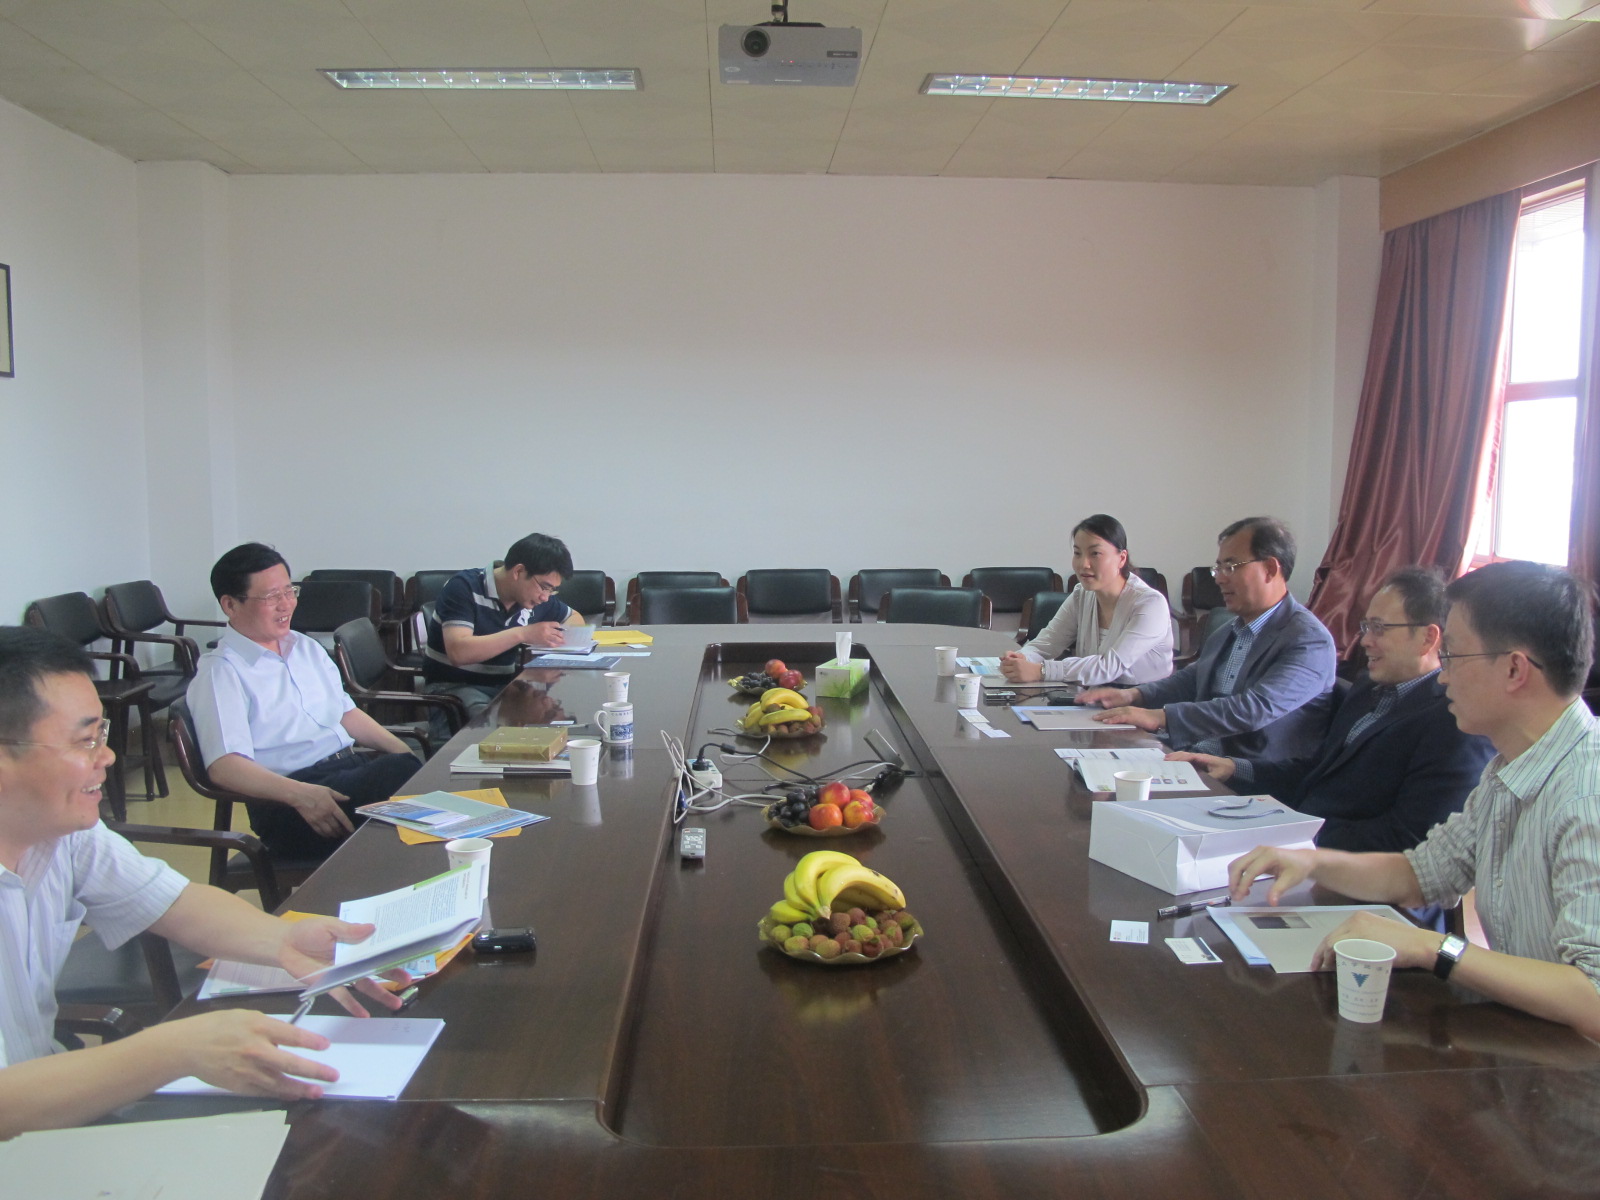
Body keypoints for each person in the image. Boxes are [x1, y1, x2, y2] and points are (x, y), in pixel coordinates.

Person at [0, 627, 404, 1138]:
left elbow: (173, 901)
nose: (108, 757)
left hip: (47, 1112)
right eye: (85, 741)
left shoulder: (63, 835)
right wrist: (175, 1050)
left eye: (102, 734)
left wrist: (283, 940)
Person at [1227, 560, 1600, 1042]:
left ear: (1514, 669)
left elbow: (1593, 995)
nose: (1441, 677)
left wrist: (1432, 948)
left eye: (1454, 656)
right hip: (1524, 1045)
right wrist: (1310, 862)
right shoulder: (1508, 769)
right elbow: (1421, 873)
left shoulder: (1587, 795)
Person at [1170, 567, 1494, 852]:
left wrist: (1299, 838)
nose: (1364, 641)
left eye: (1379, 628)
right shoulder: (1367, 688)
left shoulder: (1453, 722)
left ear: (1427, 638)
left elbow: (1411, 839)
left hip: (1349, 875)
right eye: (1366, 627)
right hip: (1298, 839)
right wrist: (1234, 768)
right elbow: (1318, 770)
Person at [186, 543, 420, 860]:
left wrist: (407, 754)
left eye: (290, 591)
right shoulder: (222, 672)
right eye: (271, 597)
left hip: (346, 772)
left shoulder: (305, 647)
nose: (286, 604)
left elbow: (346, 713)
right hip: (290, 801)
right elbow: (225, 767)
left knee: (415, 768)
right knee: (399, 776)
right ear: (230, 604)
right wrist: (300, 795)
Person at [1078, 516, 1336, 760]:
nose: (1220, 579)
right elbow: (1192, 679)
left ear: (1270, 568)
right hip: (1195, 751)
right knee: (1088, 758)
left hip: (1248, 770)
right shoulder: (1229, 629)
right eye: (1218, 568)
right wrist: (1133, 696)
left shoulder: (1308, 641)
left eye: (1231, 567)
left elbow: (1254, 709)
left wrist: (1160, 717)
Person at [422, 533, 587, 725]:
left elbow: (575, 618)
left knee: (563, 717)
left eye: (552, 590)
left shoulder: (533, 597)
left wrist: (556, 641)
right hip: (454, 687)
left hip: (506, 686)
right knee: (486, 730)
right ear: (518, 571)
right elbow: (459, 652)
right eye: (545, 587)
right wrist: (523, 634)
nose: (545, 597)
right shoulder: (463, 587)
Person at [998, 514, 1173, 687]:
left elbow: (1109, 666)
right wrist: (1022, 658)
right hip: (1092, 693)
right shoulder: (1081, 595)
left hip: (1144, 698)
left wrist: (1041, 671)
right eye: (1077, 553)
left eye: (1095, 553)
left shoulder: (1150, 603)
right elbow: (1047, 642)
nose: (1084, 564)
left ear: (1121, 558)